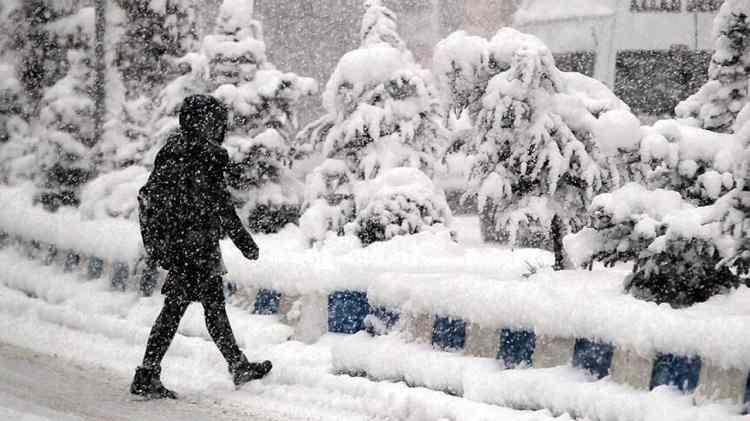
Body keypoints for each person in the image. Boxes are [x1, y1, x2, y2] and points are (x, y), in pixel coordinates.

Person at [131, 95, 272, 400]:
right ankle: (148, 372)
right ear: (202, 122)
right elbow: (221, 205)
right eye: (216, 122)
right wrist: (245, 242)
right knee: (182, 309)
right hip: (193, 248)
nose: (220, 128)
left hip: (186, 245)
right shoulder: (201, 156)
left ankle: (235, 365)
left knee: (207, 307)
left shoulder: (174, 152)